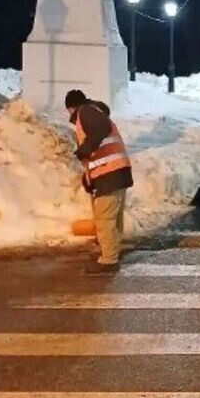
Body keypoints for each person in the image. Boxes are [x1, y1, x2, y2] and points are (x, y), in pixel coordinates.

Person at [65, 89, 133, 274]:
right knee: (112, 215)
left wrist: (84, 150)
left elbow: (100, 130)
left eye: (69, 111)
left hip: (110, 172)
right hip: (116, 170)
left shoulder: (85, 112)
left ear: (72, 107)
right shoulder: (94, 111)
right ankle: (112, 250)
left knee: (105, 217)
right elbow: (99, 151)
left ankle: (109, 260)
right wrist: (89, 179)